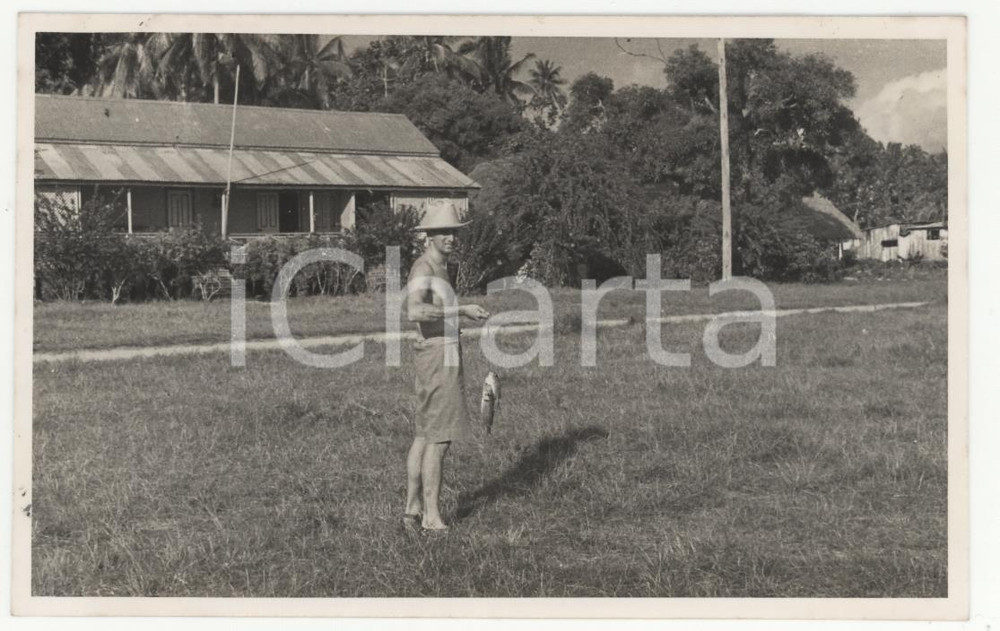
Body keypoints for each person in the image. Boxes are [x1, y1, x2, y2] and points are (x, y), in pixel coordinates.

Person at [403, 200, 490, 533]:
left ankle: (411, 511)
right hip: (437, 357)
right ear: (429, 235)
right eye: (444, 232)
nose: (451, 238)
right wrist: (461, 310)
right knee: (440, 439)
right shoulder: (424, 268)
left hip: (441, 352)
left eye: (454, 232)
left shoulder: (441, 268)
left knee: (425, 435)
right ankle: (431, 517)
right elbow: (414, 311)